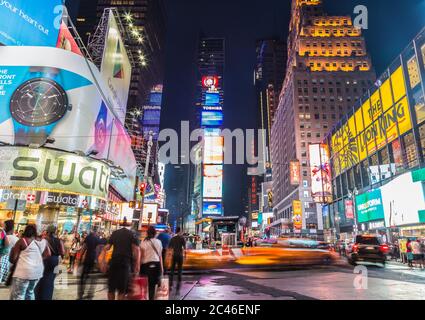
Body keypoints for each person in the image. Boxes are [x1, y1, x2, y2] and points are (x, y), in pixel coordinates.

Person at [9, 224, 51, 300]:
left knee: (19, 295)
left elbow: (13, 259)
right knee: (30, 292)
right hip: (37, 272)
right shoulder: (43, 241)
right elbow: (48, 254)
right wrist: (37, 260)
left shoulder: (23, 240)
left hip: (24, 272)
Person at [104, 217, 140, 300]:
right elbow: (137, 250)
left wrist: (103, 261)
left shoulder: (115, 233)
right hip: (125, 264)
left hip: (114, 262)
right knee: (122, 290)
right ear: (130, 225)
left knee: (111, 289)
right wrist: (137, 265)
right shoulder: (132, 234)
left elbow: (107, 247)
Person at [35, 225, 65, 300]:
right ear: (55, 231)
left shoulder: (43, 239)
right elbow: (63, 252)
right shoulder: (59, 240)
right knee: (50, 279)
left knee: (40, 278)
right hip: (54, 260)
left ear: (47, 231)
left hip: (44, 259)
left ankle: (38, 296)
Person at [140, 226, 163, 300]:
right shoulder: (159, 242)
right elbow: (160, 256)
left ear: (147, 233)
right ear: (155, 233)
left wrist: (138, 266)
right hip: (156, 265)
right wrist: (162, 268)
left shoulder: (143, 242)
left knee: (144, 284)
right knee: (152, 286)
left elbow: (141, 256)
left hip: (145, 266)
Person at [78, 227, 100, 300]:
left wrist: (79, 258)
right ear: (96, 231)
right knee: (93, 279)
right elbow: (98, 250)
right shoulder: (97, 239)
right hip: (94, 260)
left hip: (87, 259)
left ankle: (81, 294)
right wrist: (97, 261)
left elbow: (84, 248)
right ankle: (90, 295)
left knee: (83, 277)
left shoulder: (88, 238)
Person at [168, 227, 186, 294]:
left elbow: (170, 248)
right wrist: (185, 256)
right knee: (179, 270)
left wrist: (169, 256)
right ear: (180, 231)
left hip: (174, 255)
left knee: (172, 270)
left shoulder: (172, 238)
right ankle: (178, 285)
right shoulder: (182, 238)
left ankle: (171, 284)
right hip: (180, 256)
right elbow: (184, 248)